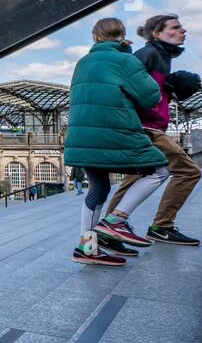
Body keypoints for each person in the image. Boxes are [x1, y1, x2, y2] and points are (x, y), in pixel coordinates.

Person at [63, 17, 170, 266]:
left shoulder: (83, 62)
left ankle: (87, 248)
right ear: (122, 35)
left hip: (82, 137)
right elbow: (150, 96)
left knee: (98, 190)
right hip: (114, 132)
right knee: (159, 171)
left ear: (95, 37)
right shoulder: (126, 60)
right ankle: (116, 220)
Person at [104, 14, 202, 245]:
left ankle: (107, 231)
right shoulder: (148, 54)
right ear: (157, 33)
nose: (183, 31)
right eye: (176, 27)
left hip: (148, 126)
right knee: (189, 171)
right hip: (145, 127)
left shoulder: (162, 57)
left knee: (134, 177)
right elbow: (125, 88)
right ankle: (162, 227)